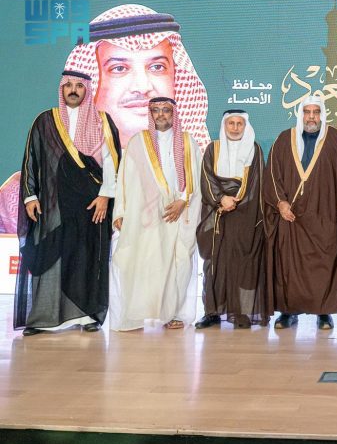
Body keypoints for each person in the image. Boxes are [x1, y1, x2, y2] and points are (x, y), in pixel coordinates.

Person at [15, 70, 121, 336]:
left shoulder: (102, 121)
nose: (73, 90)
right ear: (62, 89)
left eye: (79, 86)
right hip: (53, 205)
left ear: (87, 89)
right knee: (50, 258)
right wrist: (30, 196)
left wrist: (105, 196)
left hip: (92, 205)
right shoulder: (45, 121)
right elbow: (31, 159)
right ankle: (42, 318)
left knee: (87, 257)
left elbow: (112, 162)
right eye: (68, 86)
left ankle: (87, 316)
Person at [63, 4, 209, 150]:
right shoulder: (68, 164)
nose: (143, 87)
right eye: (119, 68)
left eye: (157, 67)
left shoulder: (200, 161)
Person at [110, 97, 201, 331]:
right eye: (156, 110)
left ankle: (174, 313)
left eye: (166, 110)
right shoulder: (138, 142)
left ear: (174, 113)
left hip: (179, 212)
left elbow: (196, 176)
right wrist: (120, 211)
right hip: (147, 215)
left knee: (179, 264)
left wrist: (183, 201)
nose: (161, 114)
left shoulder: (188, 141)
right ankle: (139, 314)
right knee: (146, 264)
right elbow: (124, 179)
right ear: (150, 114)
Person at [264, 95, 337, 330]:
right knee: (288, 267)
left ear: (322, 115)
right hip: (291, 218)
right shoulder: (284, 139)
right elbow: (272, 174)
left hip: (326, 216)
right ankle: (288, 312)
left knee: (324, 267)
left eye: (316, 112)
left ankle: (323, 312)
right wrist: (280, 203)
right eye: (307, 112)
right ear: (300, 114)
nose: (311, 117)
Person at [195, 110, 271, 330]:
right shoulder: (213, 149)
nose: (235, 128)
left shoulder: (254, 149)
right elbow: (206, 178)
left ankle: (242, 313)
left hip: (246, 216)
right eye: (231, 123)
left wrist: (237, 202)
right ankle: (212, 312)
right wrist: (221, 199)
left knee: (243, 265)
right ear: (224, 125)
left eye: (239, 124)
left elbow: (257, 183)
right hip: (217, 214)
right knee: (215, 265)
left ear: (245, 126)